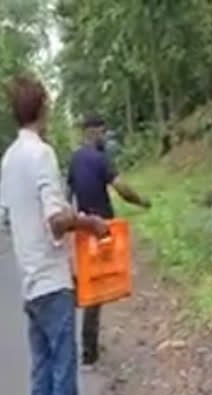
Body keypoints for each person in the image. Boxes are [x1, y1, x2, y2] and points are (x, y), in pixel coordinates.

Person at [0, 75, 108, 395]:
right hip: (54, 286)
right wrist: (88, 223)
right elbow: (55, 222)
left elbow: (4, 219)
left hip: (29, 286)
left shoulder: (8, 160)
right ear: (41, 110)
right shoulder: (41, 154)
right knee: (64, 390)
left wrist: (34, 238)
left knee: (41, 386)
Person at [66, 114, 150, 368]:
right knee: (99, 286)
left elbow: (67, 195)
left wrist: (71, 223)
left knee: (90, 282)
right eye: (102, 132)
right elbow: (122, 188)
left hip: (82, 229)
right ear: (93, 132)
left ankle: (86, 344)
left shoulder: (74, 159)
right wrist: (142, 201)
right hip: (102, 229)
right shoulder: (101, 159)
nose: (105, 137)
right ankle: (89, 351)